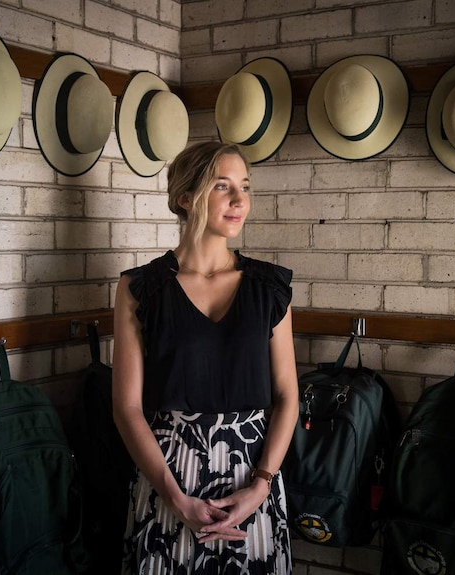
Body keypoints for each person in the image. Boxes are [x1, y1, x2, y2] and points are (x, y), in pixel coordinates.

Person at [112, 141, 299, 574]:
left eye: (245, 187)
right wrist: (175, 498)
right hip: (169, 482)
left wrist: (260, 487)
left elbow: (288, 396)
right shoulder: (140, 288)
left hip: (253, 478)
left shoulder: (270, 288)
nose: (239, 201)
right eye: (222, 186)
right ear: (185, 197)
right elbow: (126, 408)